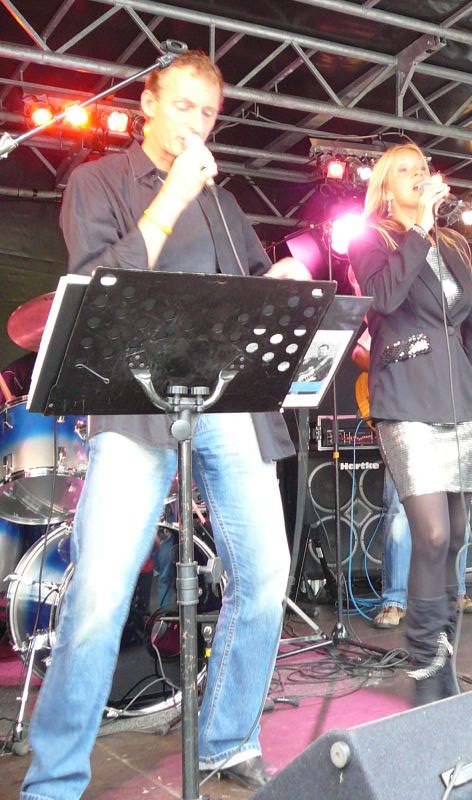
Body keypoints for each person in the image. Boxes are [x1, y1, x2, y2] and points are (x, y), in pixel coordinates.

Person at [20, 50, 310, 800]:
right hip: (134, 397)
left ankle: (227, 738)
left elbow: (249, 287)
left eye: (208, 113)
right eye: (184, 106)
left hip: (228, 398)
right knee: (100, 591)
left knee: (265, 574)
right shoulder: (98, 182)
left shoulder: (223, 201)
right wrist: (172, 195)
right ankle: (54, 779)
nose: (197, 124)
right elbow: (97, 285)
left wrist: (278, 282)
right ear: (147, 103)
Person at [347, 143, 472, 702]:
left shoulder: (455, 245)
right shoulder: (370, 239)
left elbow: (471, 330)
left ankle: (444, 653)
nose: (419, 175)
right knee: (433, 533)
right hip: (405, 400)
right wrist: (419, 228)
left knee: (457, 535)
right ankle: (423, 663)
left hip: (457, 404)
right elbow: (384, 296)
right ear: (384, 187)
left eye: (423, 168)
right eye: (405, 170)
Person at [351, 319, 472, 628]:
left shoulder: (463, 309)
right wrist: (402, 371)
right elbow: (359, 353)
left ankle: (455, 592)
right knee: (400, 511)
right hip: (406, 419)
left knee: (457, 508)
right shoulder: (397, 306)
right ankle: (395, 600)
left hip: (454, 418)